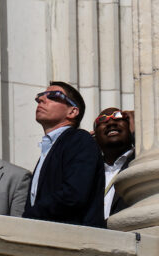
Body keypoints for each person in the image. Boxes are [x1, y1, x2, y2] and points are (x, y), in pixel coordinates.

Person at [23, 81, 106, 226]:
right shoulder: (50, 148)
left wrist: (28, 216)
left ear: (72, 111)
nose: (41, 99)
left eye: (54, 96)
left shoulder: (80, 140)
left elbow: (73, 195)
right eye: (40, 96)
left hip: (75, 240)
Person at [94, 107, 135, 218]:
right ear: (95, 135)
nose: (111, 123)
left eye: (119, 117)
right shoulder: (90, 171)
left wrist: (138, 133)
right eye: (102, 120)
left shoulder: (141, 160)